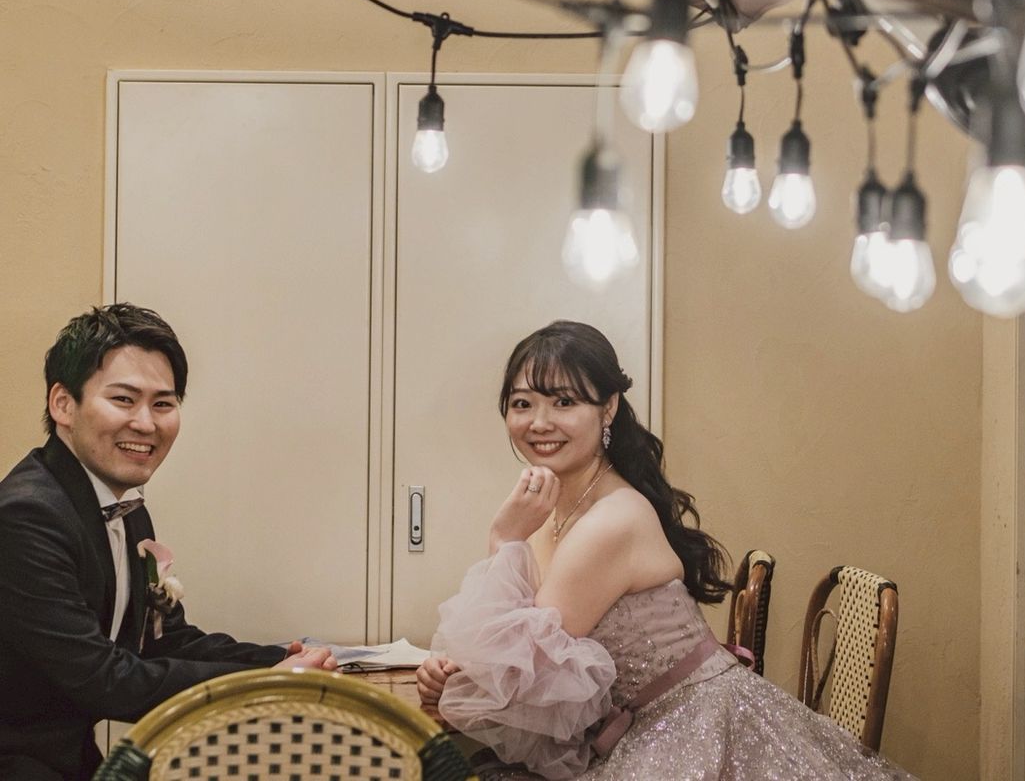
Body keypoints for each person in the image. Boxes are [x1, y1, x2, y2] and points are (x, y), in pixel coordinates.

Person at [416, 320, 916, 780]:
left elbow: (530, 676)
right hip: (642, 730)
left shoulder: (612, 520)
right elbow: (523, 645)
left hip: (689, 731)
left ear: (608, 408)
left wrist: (503, 541)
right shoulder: (555, 508)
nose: (539, 422)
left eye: (564, 402)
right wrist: (460, 671)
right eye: (523, 404)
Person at [0, 303, 338, 781]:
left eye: (163, 404)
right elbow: (102, 679)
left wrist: (282, 661)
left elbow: (163, 641)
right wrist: (268, 684)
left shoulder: (125, 508)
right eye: (123, 399)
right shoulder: (26, 515)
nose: (146, 423)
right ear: (63, 404)